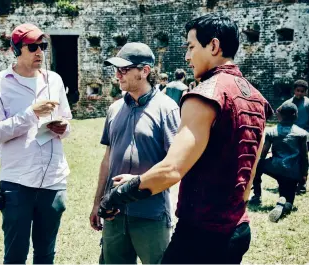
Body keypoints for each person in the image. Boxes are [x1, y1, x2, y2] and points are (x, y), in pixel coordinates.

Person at [98, 14, 273, 264]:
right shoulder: (256, 98)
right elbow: (249, 175)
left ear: (213, 46)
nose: (187, 57)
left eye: (191, 47)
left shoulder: (205, 94)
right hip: (237, 229)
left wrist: (115, 196)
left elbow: (172, 170)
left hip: (201, 234)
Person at [0, 23, 72, 264]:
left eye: (42, 46)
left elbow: (67, 120)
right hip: (17, 181)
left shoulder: (54, 79)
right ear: (16, 50)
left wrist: (63, 127)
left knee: (46, 254)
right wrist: (31, 114)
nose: (39, 52)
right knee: (15, 255)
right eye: (32, 47)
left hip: (53, 179)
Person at [90, 42, 180, 264]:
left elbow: (176, 164)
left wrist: (139, 181)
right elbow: (107, 160)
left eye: (124, 69)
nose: (117, 75)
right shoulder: (114, 109)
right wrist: (97, 202)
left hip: (151, 213)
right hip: (114, 212)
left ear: (145, 71)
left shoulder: (167, 109)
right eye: (116, 69)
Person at [250, 102, 308, 222]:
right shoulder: (302, 134)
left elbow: (263, 153)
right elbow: (304, 157)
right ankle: (284, 205)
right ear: (296, 115)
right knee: (289, 200)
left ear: (280, 115)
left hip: (274, 167)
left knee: (257, 166)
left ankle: (257, 196)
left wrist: (257, 167)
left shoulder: (272, 131)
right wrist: (304, 174)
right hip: (292, 172)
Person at [277, 79, 309, 194]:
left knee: (302, 160)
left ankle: (302, 184)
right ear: (293, 91)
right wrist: (284, 123)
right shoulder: (288, 103)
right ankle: (288, 182)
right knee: (290, 159)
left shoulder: (307, 103)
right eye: (297, 90)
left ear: (305, 92)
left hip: (305, 136)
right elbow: (278, 111)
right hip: (291, 136)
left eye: (302, 91)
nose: (299, 93)